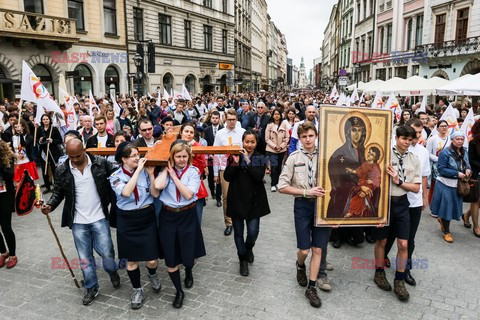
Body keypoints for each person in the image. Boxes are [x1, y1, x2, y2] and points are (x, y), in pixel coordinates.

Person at [41, 139, 120, 306]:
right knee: (84, 257)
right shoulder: (62, 169)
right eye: (71, 157)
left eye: (78, 155)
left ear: (84, 150)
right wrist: (50, 206)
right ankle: (91, 287)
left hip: (99, 216)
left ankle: (112, 270)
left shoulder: (101, 163)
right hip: (78, 220)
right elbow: (58, 193)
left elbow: (119, 173)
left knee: (107, 252)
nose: (75, 160)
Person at [278, 122, 329, 308]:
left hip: (323, 206)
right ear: (299, 139)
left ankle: (312, 286)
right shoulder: (293, 158)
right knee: (305, 250)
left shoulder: (326, 156)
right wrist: (306, 193)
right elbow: (282, 186)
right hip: (303, 205)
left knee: (318, 249)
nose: (308, 140)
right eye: (304, 137)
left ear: (316, 136)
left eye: (311, 136)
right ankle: (300, 265)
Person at [154, 140, 206, 309]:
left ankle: (189, 270)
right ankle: (178, 291)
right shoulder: (165, 170)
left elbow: (188, 193)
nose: (182, 159)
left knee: (188, 251)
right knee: (170, 255)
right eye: (178, 156)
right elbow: (158, 186)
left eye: (184, 156)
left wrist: (175, 177)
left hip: (187, 214)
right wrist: (165, 170)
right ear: (172, 157)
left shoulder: (193, 172)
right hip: (168, 215)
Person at [109, 142, 161, 309]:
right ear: (123, 159)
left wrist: (151, 175)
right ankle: (137, 289)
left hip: (146, 216)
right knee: (131, 260)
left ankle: (152, 274)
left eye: (138, 154)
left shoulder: (145, 172)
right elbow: (126, 192)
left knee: (152, 259)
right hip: (127, 219)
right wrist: (138, 171)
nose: (137, 158)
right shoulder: (115, 176)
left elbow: (154, 193)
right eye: (133, 156)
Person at [372, 125, 421, 302]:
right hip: (383, 203)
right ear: (396, 137)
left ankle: (399, 280)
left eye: (410, 140)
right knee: (382, 241)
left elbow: (416, 188)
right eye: (404, 139)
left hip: (402, 204)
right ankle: (379, 272)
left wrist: (398, 181)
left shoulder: (414, 159)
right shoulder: (385, 154)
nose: (407, 143)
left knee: (403, 244)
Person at [384, 119, 431, 286]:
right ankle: (382, 261)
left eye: (419, 134)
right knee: (388, 236)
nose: (415, 137)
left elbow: (424, 177)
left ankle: (405, 272)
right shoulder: (391, 148)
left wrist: (424, 197)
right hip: (393, 200)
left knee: (408, 240)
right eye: (413, 133)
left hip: (413, 202)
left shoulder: (422, 153)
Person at [224, 130, 270, 276]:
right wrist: (235, 163)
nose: (249, 145)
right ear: (242, 142)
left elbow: (258, 176)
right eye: (247, 142)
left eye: (252, 142)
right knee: (238, 232)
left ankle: (249, 247)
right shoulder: (234, 157)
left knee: (252, 232)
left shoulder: (261, 157)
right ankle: (242, 259)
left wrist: (247, 160)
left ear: (256, 143)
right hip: (237, 199)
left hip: (254, 201)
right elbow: (227, 176)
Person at [431, 131, 471, 243]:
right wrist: (457, 173)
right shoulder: (445, 152)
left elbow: (467, 164)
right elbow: (441, 169)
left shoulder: (464, 151)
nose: (460, 141)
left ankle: (443, 221)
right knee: (447, 208)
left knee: (452, 208)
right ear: (452, 140)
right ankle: (446, 231)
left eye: (462, 139)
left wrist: (468, 169)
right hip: (445, 184)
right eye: (457, 139)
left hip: (457, 185)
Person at [213, 109, 246, 236]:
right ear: (225, 119)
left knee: (240, 194)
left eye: (234, 119)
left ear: (237, 119)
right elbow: (216, 153)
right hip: (224, 168)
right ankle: (228, 223)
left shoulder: (242, 132)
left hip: (240, 169)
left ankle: (240, 218)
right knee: (226, 197)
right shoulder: (220, 134)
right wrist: (216, 173)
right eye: (229, 119)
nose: (231, 122)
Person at [178, 123, 209, 224]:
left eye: (191, 132)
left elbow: (201, 166)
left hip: (195, 188)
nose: (189, 134)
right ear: (181, 132)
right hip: (177, 188)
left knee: (196, 221)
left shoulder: (198, 146)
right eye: (186, 131)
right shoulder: (175, 145)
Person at [344, 146, 382, 218]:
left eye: (372, 155)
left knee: (359, 197)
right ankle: (353, 211)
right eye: (369, 152)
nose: (369, 155)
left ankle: (352, 212)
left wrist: (372, 181)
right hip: (362, 183)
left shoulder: (375, 166)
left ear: (375, 158)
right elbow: (359, 171)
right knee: (356, 197)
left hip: (369, 185)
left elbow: (378, 179)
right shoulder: (365, 164)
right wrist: (351, 171)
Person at [426, 120, 451, 217]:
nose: (444, 128)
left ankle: (441, 207)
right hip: (435, 166)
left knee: (444, 187)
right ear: (437, 128)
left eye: (446, 126)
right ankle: (433, 208)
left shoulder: (450, 139)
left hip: (447, 166)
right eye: (442, 126)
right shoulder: (433, 139)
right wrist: (439, 159)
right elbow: (428, 153)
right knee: (434, 187)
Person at [0, 141, 17, 269]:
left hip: (5, 195)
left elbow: (9, 174)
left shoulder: (8, 156)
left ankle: (12, 254)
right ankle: (3, 252)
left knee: (6, 227)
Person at [265, 108, 290, 192]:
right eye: (275, 114)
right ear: (272, 115)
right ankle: (273, 183)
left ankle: (278, 183)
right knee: (274, 166)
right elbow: (267, 138)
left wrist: (282, 146)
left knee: (279, 166)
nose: (276, 116)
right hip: (272, 149)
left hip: (281, 149)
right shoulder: (269, 125)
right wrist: (275, 146)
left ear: (280, 115)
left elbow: (287, 137)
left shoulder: (284, 124)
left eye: (278, 114)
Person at [37, 114, 62, 191]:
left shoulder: (53, 129)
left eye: (47, 119)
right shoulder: (39, 130)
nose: (45, 121)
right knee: (45, 169)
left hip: (53, 152)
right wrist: (40, 140)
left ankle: (56, 186)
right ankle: (47, 186)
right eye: (44, 119)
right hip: (44, 152)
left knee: (55, 169)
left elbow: (60, 140)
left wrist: (52, 141)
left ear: (49, 120)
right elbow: (37, 141)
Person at [464, 120, 480, 237]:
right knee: (476, 200)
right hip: (476, 175)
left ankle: (466, 215)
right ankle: (476, 226)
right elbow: (471, 160)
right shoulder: (473, 143)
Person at [204, 111, 223, 207]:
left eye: (216, 118)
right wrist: (209, 154)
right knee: (211, 177)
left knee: (219, 177)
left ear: (219, 118)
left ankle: (219, 199)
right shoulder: (207, 130)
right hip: (211, 157)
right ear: (210, 118)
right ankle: (212, 191)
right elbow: (206, 143)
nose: (215, 119)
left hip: (220, 157)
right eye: (213, 118)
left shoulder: (223, 129)